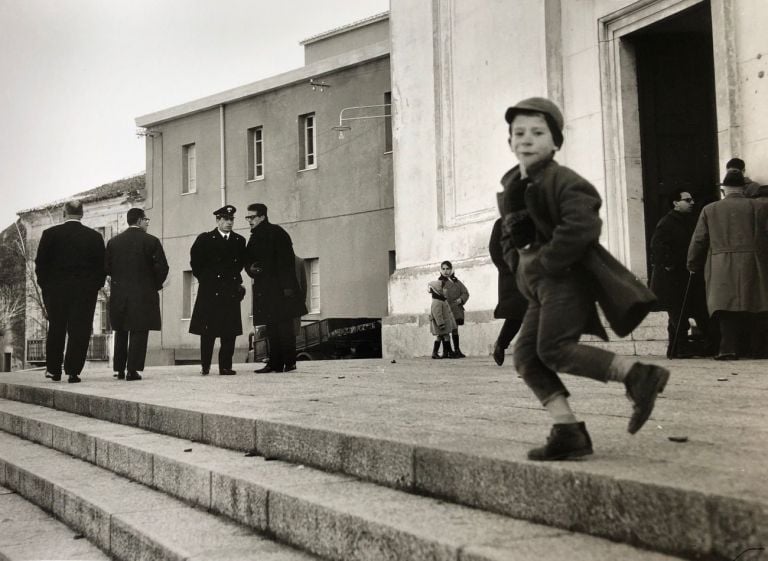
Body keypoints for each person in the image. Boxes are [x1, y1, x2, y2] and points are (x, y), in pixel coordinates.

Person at [500, 97, 669, 461]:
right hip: (537, 288)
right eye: (519, 133)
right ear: (510, 141)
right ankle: (568, 430)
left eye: (537, 132)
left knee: (554, 349)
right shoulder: (514, 184)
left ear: (556, 142)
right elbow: (508, 232)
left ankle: (638, 374)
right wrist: (516, 264)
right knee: (528, 357)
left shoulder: (565, 181)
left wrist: (545, 261)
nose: (526, 140)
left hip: (566, 279)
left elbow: (582, 225)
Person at [687, 170, 768, 360]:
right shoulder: (758, 207)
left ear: (724, 189)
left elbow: (699, 240)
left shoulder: (709, 209)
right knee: (755, 303)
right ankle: (756, 349)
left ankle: (727, 348)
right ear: (744, 188)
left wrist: (692, 263)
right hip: (752, 261)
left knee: (725, 306)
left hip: (721, 263)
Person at [35, 200, 105, 383]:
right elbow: (101, 267)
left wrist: (46, 287)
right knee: (80, 330)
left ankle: (53, 370)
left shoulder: (50, 234)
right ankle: (73, 371)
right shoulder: (94, 237)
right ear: (82, 214)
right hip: (84, 292)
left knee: (56, 328)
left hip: (56, 291)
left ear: (64, 214)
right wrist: (94, 287)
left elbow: (40, 265)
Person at [105, 208, 169, 381]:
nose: (148, 223)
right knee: (139, 332)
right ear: (140, 220)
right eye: (146, 219)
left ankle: (119, 369)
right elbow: (162, 268)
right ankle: (132, 370)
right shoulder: (151, 241)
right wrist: (153, 285)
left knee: (121, 330)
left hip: (120, 294)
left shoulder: (113, 242)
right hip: (143, 295)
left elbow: (107, 268)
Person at [244, 203, 307, 373]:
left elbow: (287, 263)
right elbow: (247, 259)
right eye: (247, 217)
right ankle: (275, 363)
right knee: (271, 327)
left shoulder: (277, 233)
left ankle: (289, 362)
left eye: (252, 217)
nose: (249, 220)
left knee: (284, 327)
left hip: (281, 290)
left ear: (262, 216)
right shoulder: (255, 236)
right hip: (265, 289)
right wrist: (250, 269)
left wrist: (288, 289)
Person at [649, 190, 712, 358]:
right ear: (675, 203)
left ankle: (676, 348)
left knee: (678, 313)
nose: (692, 202)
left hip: (681, 278)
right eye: (687, 200)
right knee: (678, 313)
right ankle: (681, 348)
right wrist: (670, 265)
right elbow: (657, 247)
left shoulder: (685, 220)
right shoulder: (667, 222)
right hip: (672, 279)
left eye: (692, 199)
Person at [189, 205, 246, 375]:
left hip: (230, 291)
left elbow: (240, 264)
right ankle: (205, 365)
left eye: (231, 220)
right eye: (225, 219)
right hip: (210, 292)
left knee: (230, 332)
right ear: (218, 220)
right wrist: (207, 280)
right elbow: (196, 264)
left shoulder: (239, 241)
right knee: (208, 332)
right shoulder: (205, 239)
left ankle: (225, 366)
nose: (229, 223)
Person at [488, 216, 527, 365]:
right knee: (517, 314)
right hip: (513, 276)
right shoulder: (502, 222)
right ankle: (501, 343)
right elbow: (495, 250)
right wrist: (508, 268)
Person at [439, 261, 469, 358]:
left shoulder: (456, 281)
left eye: (447, 269)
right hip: (446, 310)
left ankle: (457, 350)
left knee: (455, 329)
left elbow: (465, 292)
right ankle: (446, 351)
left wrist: (461, 299)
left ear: (451, 269)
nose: (445, 271)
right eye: (443, 269)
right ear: (441, 270)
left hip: (456, 310)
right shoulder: (439, 282)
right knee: (445, 331)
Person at [428, 280, 456, 358]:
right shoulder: (437, 302)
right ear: (438, 290)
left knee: (440, 337)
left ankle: (437, 353)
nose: (445, 290)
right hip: (441, 324)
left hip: (442, 323)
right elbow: (437, 314)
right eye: (443, 288)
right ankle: (449, 352)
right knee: (446, 336)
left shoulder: (440, 300)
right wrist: (440, 324)